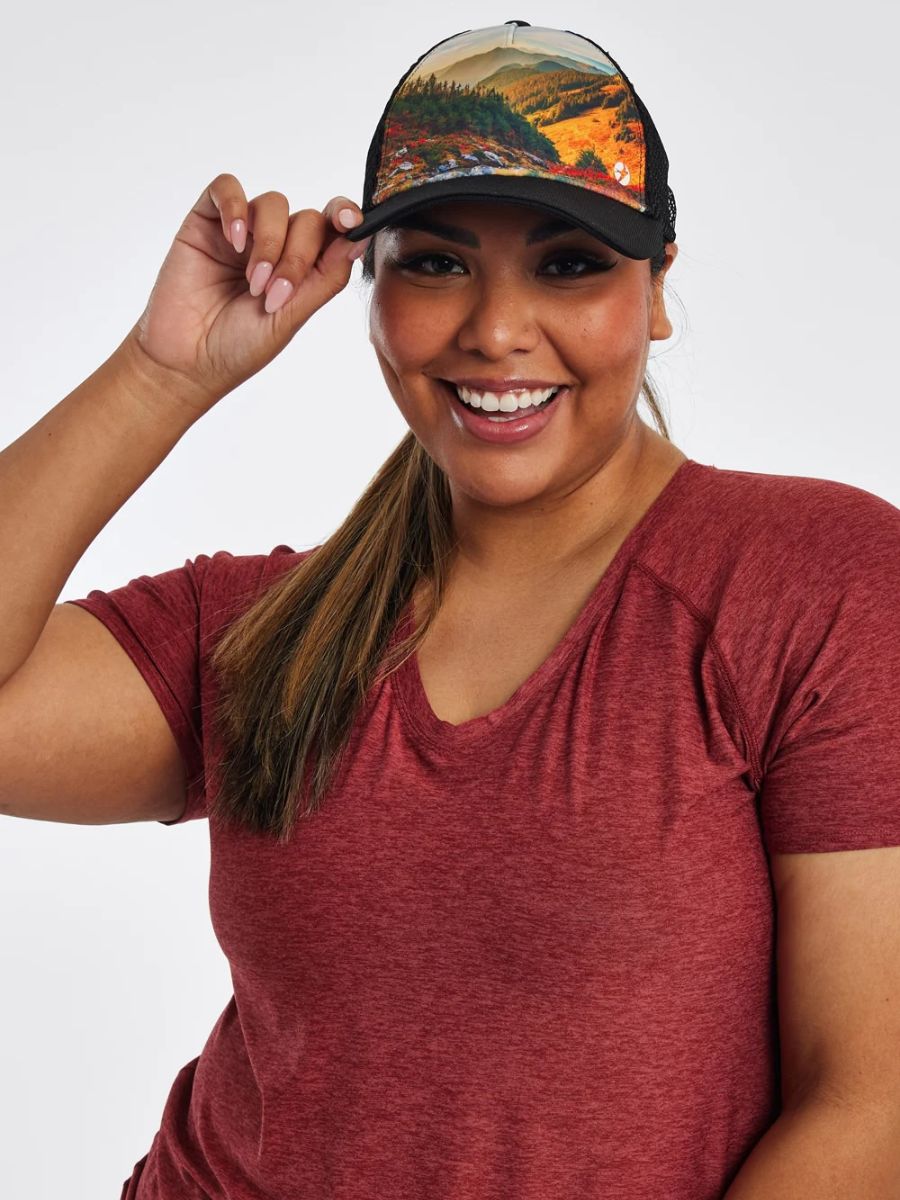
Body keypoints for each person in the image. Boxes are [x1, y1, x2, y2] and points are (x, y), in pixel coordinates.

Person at [2, 19, 899, 1200]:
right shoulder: (268, 632)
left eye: (568, 263)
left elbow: (870, 1108)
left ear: (659, 288)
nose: (495, 329)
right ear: (366, 286)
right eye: (435, 262)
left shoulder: (814, 585)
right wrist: (162, 374)